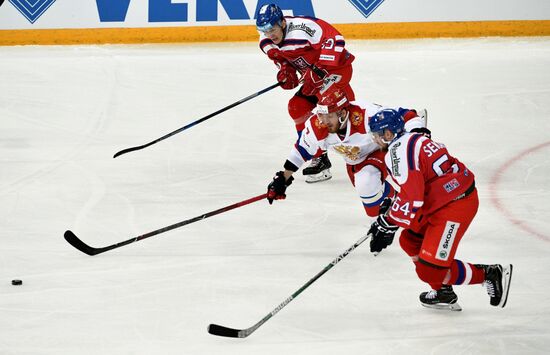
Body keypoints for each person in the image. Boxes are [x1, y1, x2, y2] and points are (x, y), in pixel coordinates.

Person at [366, 109, 513, 310]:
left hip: (455, 205)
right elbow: (418, 183)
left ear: (388, 134)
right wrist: (392, 206)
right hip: (443, 198)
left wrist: (388, 223)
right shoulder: (412, 137)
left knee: (429, 271)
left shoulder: (396, 152)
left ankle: (489, 274)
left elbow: (414, 197)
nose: (374, 140)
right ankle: (443, 292)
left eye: (376, 135)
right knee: (409, 240)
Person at [265, 89, 427, 220]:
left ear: (342, 114)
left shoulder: (365, 114)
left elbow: (406, 115)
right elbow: (301, 150)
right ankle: (394, 201)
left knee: (367, 180)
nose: (324, 121)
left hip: (383, 149)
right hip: (357, 160)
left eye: (329, 116)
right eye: (322, 115)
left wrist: (417, 131)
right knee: (370, 201)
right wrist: (283, 178)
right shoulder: (317, 125)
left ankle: (402, 203)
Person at [256, 3, 356, 183]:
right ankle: (319, 157)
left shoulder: (303, 28)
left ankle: (397, 126)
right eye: (264, 30)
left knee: (337, 113)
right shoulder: (267, 43)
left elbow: (337, 39)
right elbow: (283, 61)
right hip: (314, 79)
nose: (269, 34)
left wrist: (320, 68)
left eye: (272, 28)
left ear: (282, 23)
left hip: (336, 71)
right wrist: (286, 72)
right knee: (297, 107)